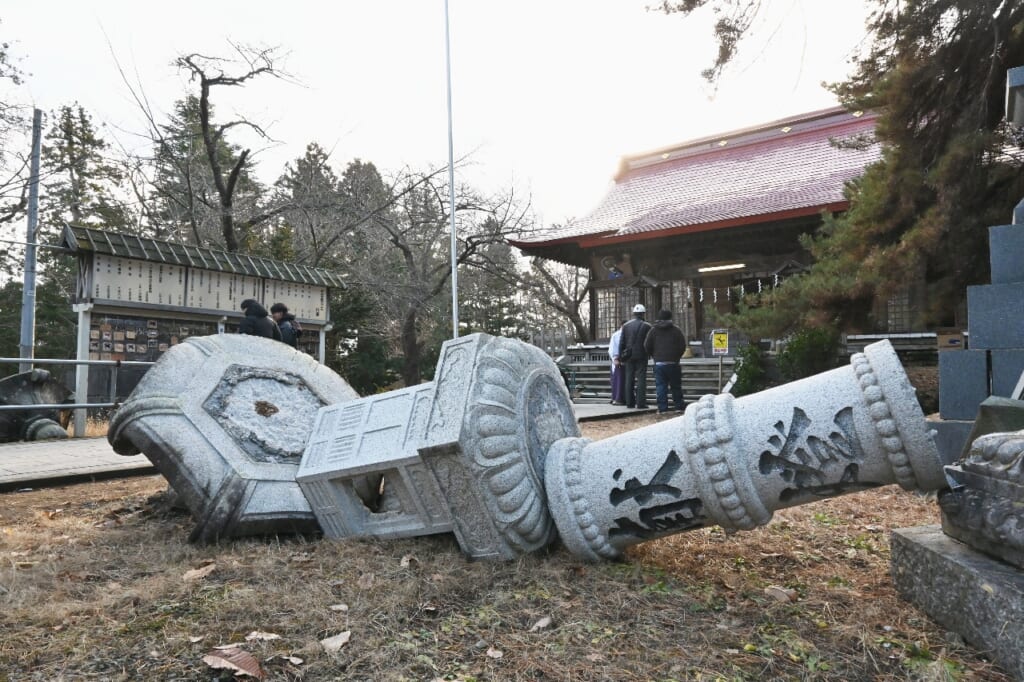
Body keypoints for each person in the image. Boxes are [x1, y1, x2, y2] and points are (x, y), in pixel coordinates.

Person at [644, 308, 687, 414]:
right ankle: (679, 406)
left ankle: (663, 408)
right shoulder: (676, 330)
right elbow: (682, 346)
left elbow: (646, 345)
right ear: (670, 318)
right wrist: (677, 356)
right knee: (676, 386)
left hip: (659, 363)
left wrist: (654, 356)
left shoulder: (653, 330)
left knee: (661, 387)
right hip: (673, 363)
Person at [617, 304, 652, 409]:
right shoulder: (647, 326)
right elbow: (649, 342)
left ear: (634, 314)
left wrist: (620, 356)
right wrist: (649, 353)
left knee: (629, 379)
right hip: (642, 355)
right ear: (643, 314)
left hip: (629, 355)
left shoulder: (626, 326)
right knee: (641, 379)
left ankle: (629, 402)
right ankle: (641, 403)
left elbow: (621, 342)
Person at [608, 320, 627, 405]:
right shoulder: (616, 335)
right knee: (618, 381)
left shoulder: (628, 334)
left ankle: (624, 398)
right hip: (618, 360)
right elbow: (612, 348)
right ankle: (617, 398)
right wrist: (615, 358)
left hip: (626, 360)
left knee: (624, 381)